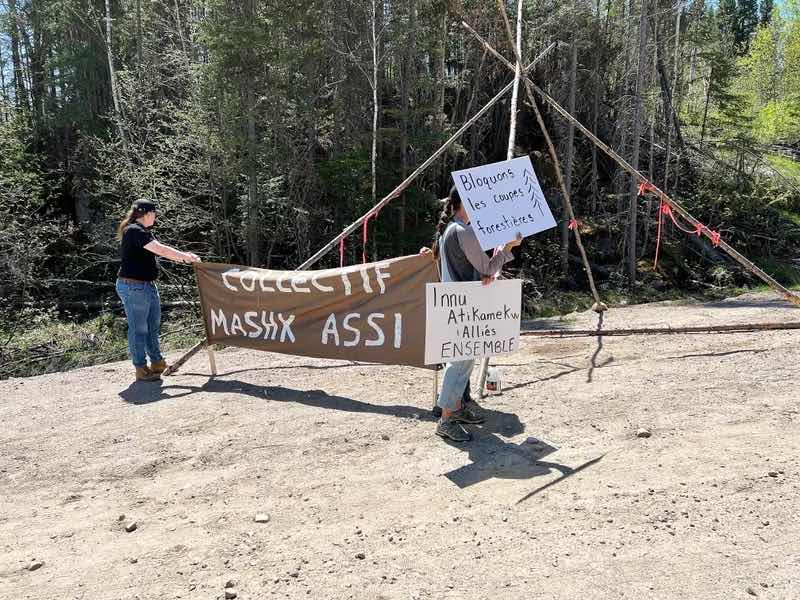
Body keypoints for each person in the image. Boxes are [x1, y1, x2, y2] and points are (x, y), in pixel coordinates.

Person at [429, 186, 522, 442]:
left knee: (462, 361)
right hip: (464, 307)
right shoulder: (463, 231)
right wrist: (508, 247)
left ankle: (456, 409)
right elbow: (488, 268)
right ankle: (446, 420)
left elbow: (479, 269)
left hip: (457, 305)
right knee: (459, 364)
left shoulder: (451, 229)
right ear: (465, 204)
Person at [115, 199, 201, 381]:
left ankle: (157, 362)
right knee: (139, 329)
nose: (156, 216)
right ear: (147, 213)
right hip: (134, 287)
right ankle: (140, 368)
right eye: (154, 213)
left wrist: (184, 257)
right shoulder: (134, 231)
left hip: (145, 286)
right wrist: (186, 257)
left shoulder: (143, 231)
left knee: (152, 327)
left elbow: (159, 249)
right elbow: (161, 250)